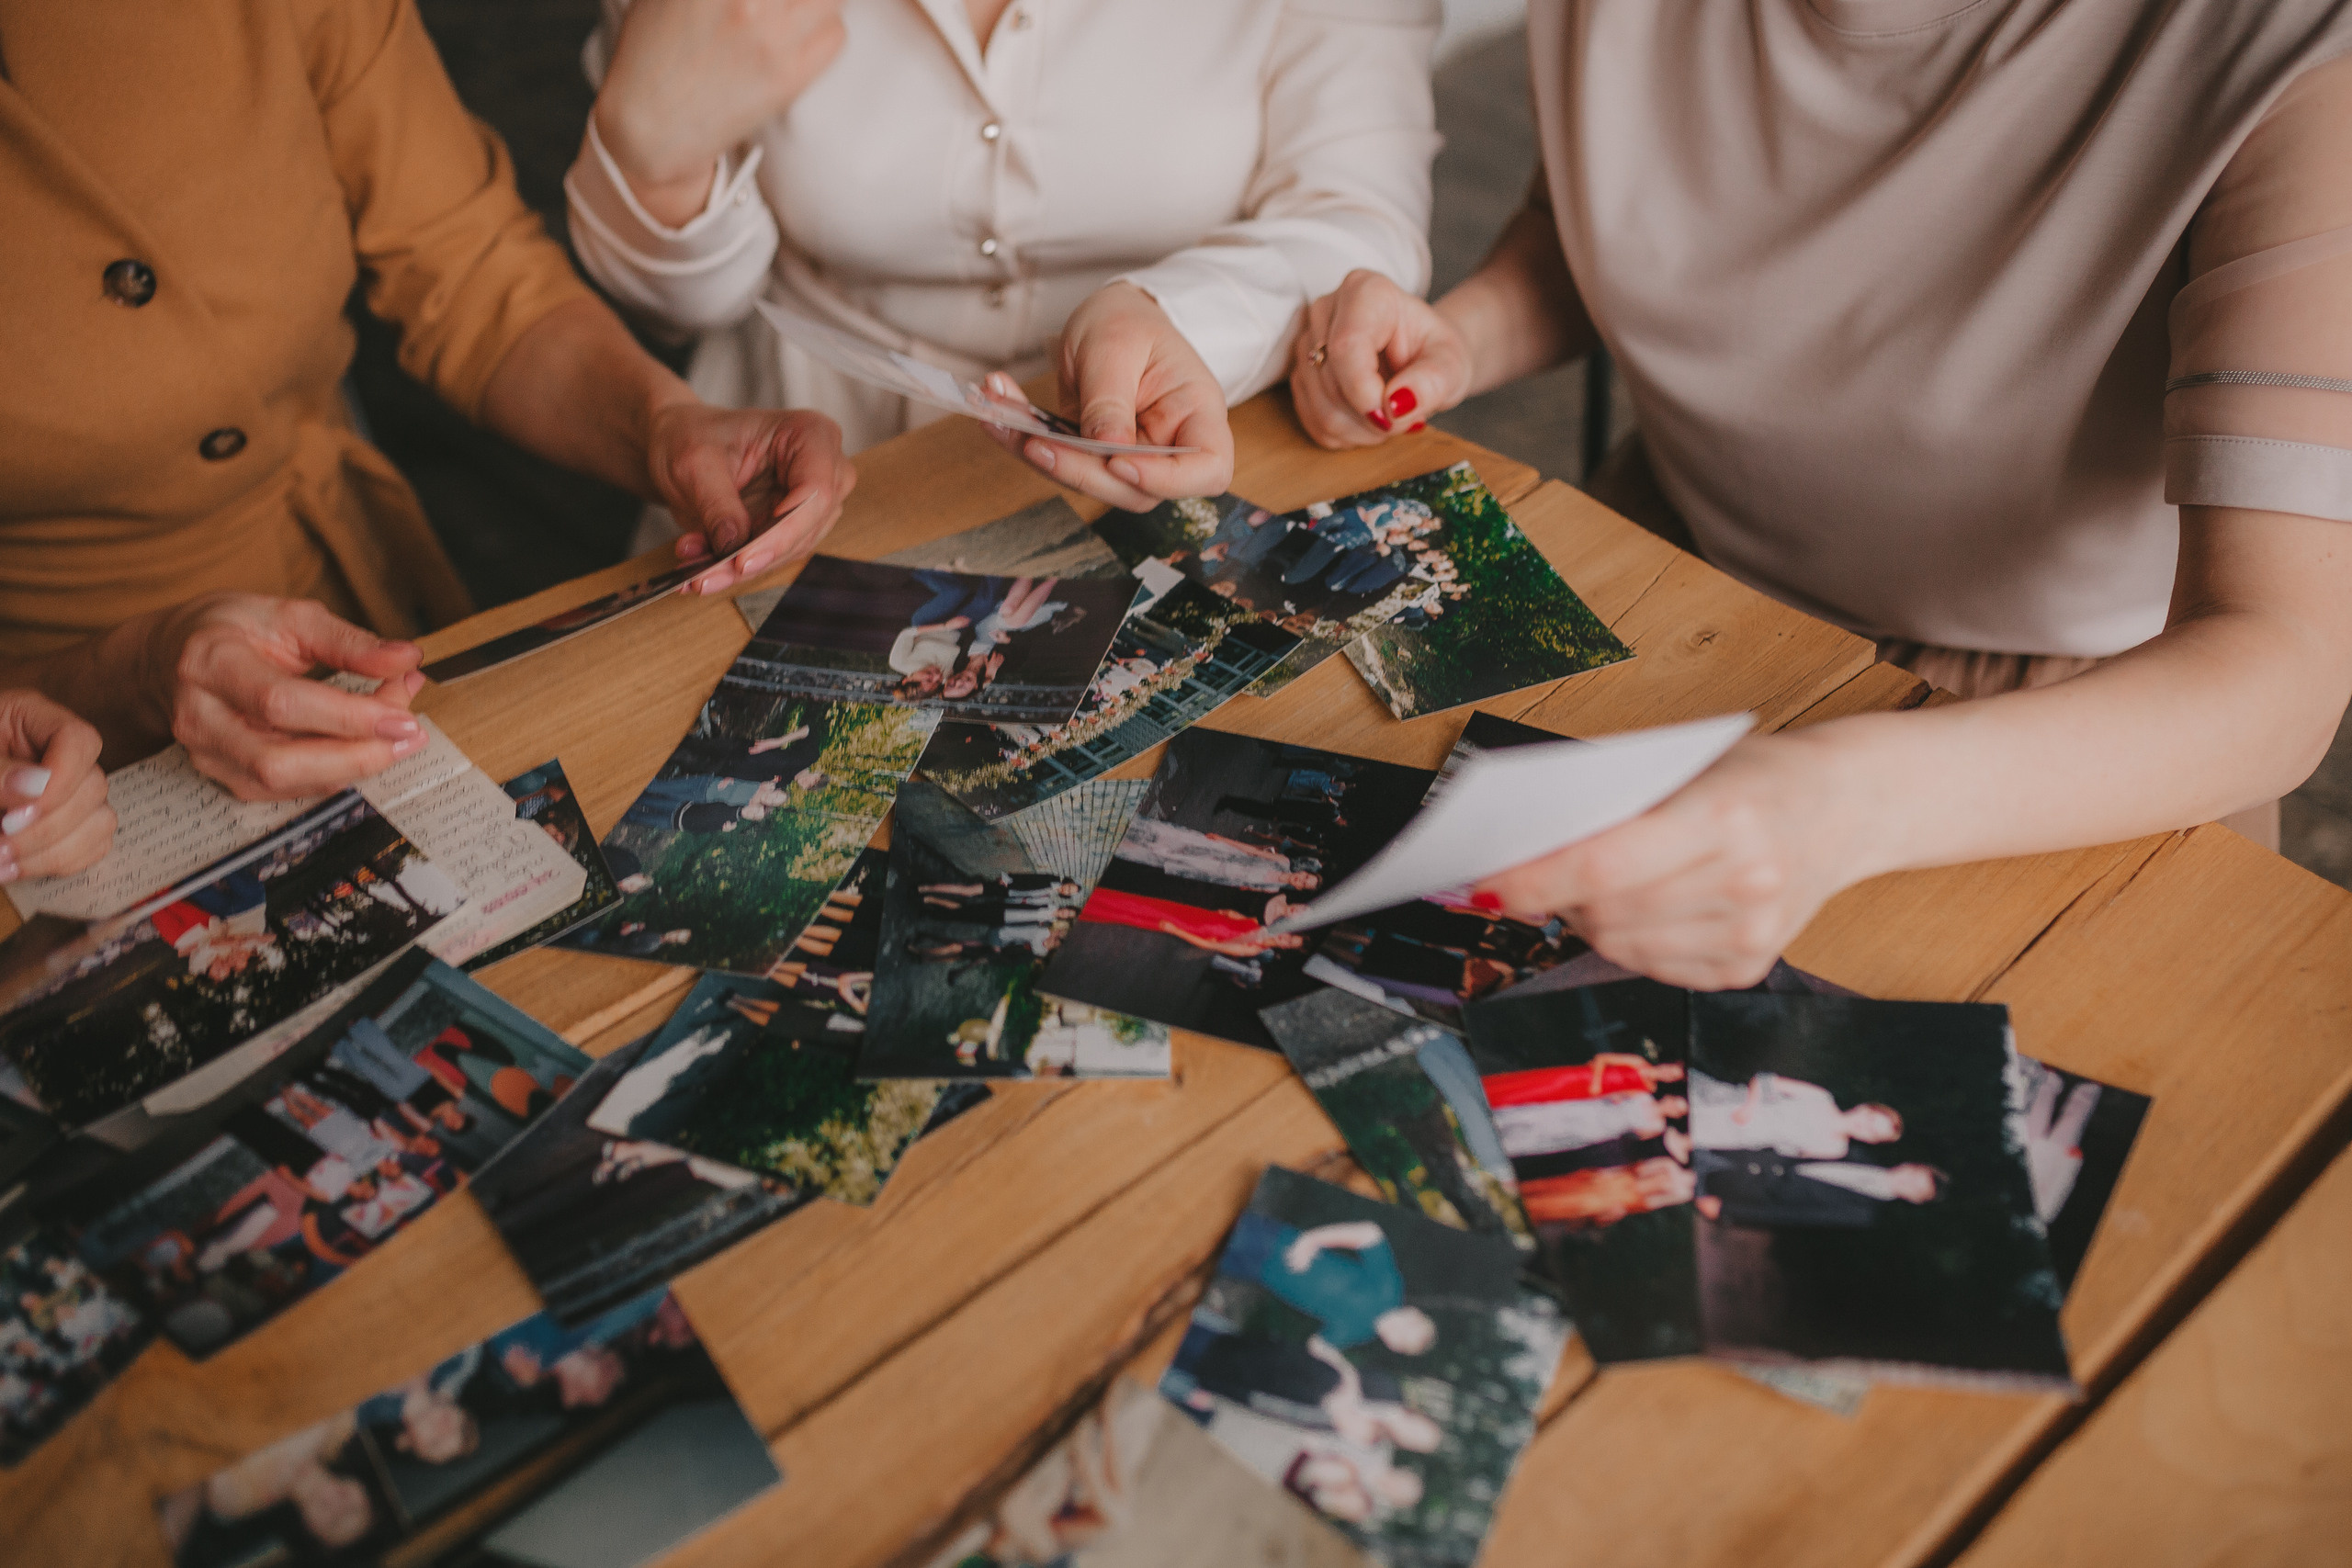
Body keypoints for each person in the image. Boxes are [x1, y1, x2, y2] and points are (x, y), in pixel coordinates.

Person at [1293, 3, 2352, 992]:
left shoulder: (2296, 53)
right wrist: (1461, 338)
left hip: (2068, 736)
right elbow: (1602, 225)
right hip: (1663, 574)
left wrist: (1831, 803)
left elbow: (2283, 665)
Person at [0, 0, 858, 806]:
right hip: (59, 751)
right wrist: (134, 673)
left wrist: (663, 422)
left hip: (370, 635)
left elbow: (468, 265)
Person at [571, 0, 1441, 522]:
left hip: (1198, 455)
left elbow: (1360, 214)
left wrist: (1176, 318)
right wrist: (649, 155)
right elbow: (688, 305)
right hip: (796, 465)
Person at [1688, 1070, 1901, 1162]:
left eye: (1873, 1132)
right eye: (1871, 1120)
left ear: (1870, 1141)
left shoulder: (1836, 1150)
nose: (1865, 1126)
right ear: (1864, 1108)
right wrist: (1749, 1108)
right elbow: (1765, 1080)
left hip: (1733, 1140)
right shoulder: (1822, 1098)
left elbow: (1785, 1154)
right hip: (1727, 1104)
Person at [1692, 1152, 1947, 1228]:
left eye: (1916, 1189)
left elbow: (1794, 1217)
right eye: (1915, 1175)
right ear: (1909, 1164)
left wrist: (1728, 1210)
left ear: (1914, 1200)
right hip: (1742, 1155)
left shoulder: (1861, 1214)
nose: (1908, 1182)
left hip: (1745, 1193)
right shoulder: (1860, 1152)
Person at [1075, 886, 1306, 961]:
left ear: (1284, 947)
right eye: (1289, 935)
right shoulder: (1264, 929)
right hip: (1202, 916)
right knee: (1149, 903)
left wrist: (1176, 930)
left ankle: (1091, 904)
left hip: (1192, 927)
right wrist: (1229, 913)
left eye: (1288, 942)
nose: (1284, 938)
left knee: (1142, 913)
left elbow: (1210, 946)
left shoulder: (1255, 948)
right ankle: (1095, 895)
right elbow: (1242, 920)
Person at [1114, 818, 1321, 893]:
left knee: (1168, 859)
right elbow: (1251, 851)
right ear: (1302, 871)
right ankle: (1127, 829)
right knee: (1176, 844)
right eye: (1305, 877)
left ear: (1298, 887)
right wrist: (1223, 840)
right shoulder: (1283, 862)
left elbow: (1243, 885)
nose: (1301, 879)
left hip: (1212, 871)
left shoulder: (1273, 889)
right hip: (1221, 854)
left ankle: (1123, 845)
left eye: (1304, 884)